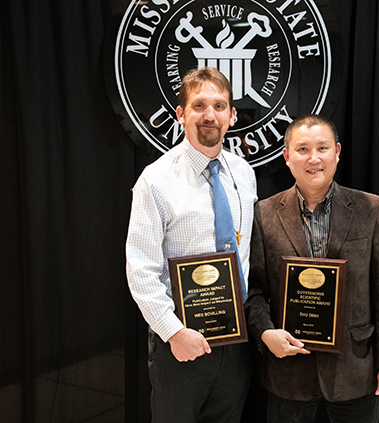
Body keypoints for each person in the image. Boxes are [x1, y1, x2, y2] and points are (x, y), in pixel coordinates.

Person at [245, 114, 379, 423]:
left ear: (337, 152)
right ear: (287, 156)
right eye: (303, 149)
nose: (313, 158)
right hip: (288, 370)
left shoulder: (373, 210)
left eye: (322, 148)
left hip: (356, 366)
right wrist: (265, 332)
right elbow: (254, 290)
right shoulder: (262, 215)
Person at [126, 67, 257, 422]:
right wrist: (173, 332)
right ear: (182, 113)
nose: (210, 115)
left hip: (235, 341)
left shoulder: (244, 173)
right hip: (181, 342)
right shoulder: (156, 180)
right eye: (199, 105)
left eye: (219, 105)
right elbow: (140, 271)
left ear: (232, 115)